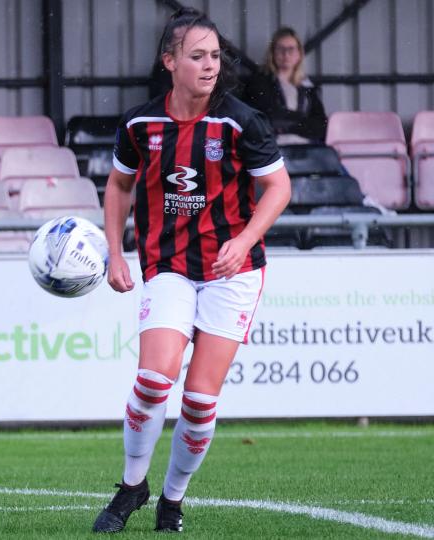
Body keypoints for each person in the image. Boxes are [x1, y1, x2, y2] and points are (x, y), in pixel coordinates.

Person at [94, 8, 290, 534]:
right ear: (170, 61)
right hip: (168, 265)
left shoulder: (241, 121)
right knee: (153, 379)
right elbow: (118, 185)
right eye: (197, 56)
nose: (210, 66)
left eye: (216, 56)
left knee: (200, 399)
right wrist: (115, 252)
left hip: (234, 270)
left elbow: (279, 187)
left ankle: (172, 500)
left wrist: (243, 239)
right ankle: (132, 486)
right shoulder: (140, 124)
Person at [242, 27, 327, 145]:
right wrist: (303, 122)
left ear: (299, 54)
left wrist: (287, 125)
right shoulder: (260, 82)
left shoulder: (308, 87)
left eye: (291, 49)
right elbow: (268, 119)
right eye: (280, 49)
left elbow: (321, 126)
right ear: (272, 53)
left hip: (307, 148)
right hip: (272, 149)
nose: (286, 54)